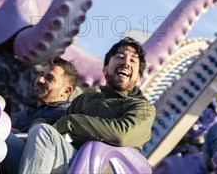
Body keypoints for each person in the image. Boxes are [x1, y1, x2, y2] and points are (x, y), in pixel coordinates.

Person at [17, 36, 156, 174]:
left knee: (43, 133)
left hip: (98, 168)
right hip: (70, 160)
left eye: (133, 60)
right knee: (3, 139)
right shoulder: (85, 99)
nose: (126, 62)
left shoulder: (143, 108)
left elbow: (123, 135)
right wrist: (36, 123)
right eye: (120, 56)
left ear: (138, 77)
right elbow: (54, 126)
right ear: (105, 69)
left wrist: (71, 122)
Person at [0, 55, 78, 174]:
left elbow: (53, 142)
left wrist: (18, 133)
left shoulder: (67, 114)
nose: (40, 80)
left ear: (66, 91)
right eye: (41, 74)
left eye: (49, 78)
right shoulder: (25, 111)